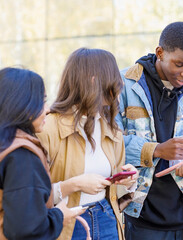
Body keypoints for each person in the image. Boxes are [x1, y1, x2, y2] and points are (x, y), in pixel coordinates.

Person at [115, 21, 183, 240]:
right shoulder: (122, 86)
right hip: (142, 222)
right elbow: (109, 146)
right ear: (160, 53)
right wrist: (155, 150)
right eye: (179, 64)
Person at [36, 48, 138, 240]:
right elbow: (29, 195)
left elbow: (113, 192)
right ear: (93, 81)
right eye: (114, 76)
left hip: (107, 218)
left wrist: (128, 182)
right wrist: (74, 185)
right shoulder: (47, 128)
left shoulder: (111, 128)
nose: (121, 83)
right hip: (65, 224)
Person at [0, 67, 82, 239]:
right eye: (42, 102)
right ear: (21, 105)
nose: (47, 109)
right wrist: (59, 216)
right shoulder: (21, 155)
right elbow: (26, 229)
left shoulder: (6, 145)